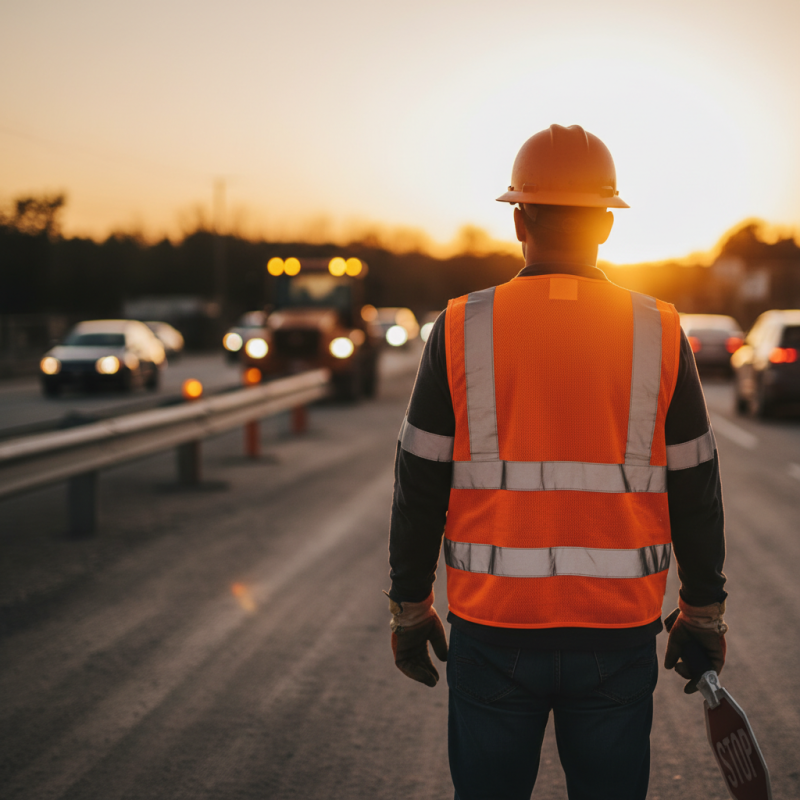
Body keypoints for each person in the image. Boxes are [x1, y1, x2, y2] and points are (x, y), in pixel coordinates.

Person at [386, 124, 728, 800]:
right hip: (615, 633)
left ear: (519, 218)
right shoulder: (658, 331)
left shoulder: (459, 327)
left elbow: (419, 479)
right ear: (605, 225)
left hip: (494, 629)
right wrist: (704, 611)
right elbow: (696, 485)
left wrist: (409, 604)